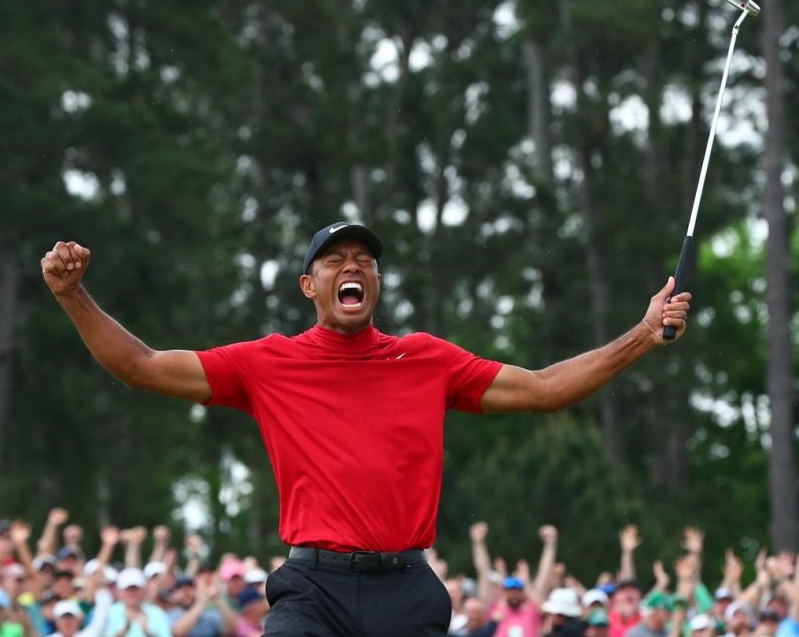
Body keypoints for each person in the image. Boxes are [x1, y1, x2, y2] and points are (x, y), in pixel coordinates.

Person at [40, 222, 691, 637]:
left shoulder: (429, 359)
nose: (351, 266)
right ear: (309, 284)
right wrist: (73, 295)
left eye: (364, 260)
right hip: (313, 589)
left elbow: (546, 389)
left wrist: (641, 334)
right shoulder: (268, 363)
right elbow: (141, 366)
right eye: (334, 260)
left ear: (374, 283)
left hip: (408, 590)